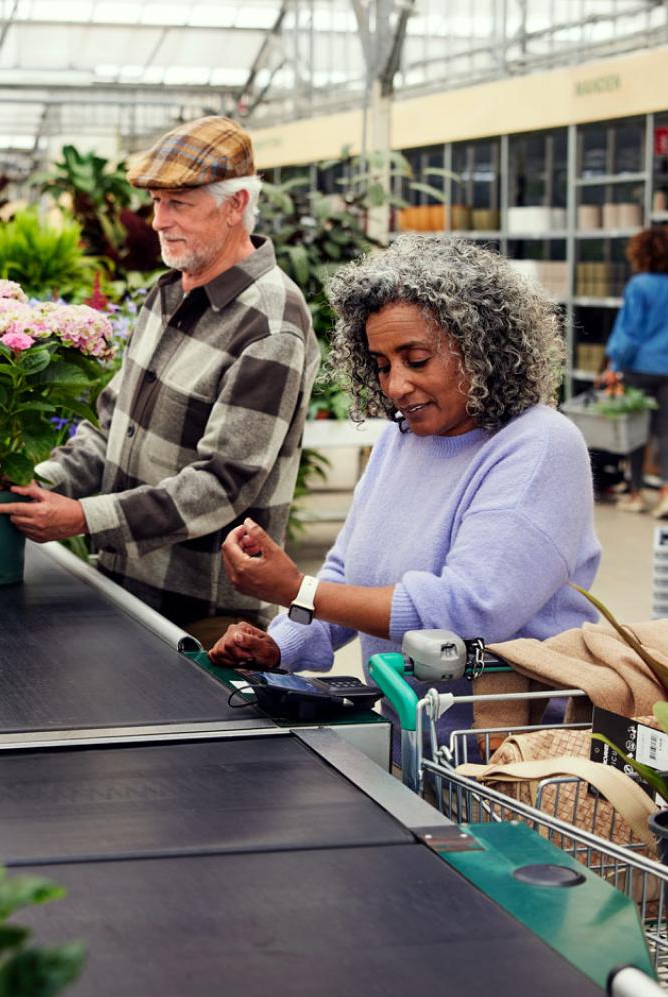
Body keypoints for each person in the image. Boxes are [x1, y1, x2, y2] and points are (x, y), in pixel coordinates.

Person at [208, 234, 602, 741]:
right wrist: (280, 647)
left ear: (484, 349)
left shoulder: (540, 446)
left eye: (416, 360)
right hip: (409, 742)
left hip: (507, 760)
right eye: (381, 364)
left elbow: (467, 610)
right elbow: (350, 572)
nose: (396, 386)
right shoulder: (403, 439)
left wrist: (297, 589)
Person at [0, 115, 320, 648]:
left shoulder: (271, 324)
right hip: (121, 589)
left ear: (235, 205)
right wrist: (40, 486)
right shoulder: (166, 296)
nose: (159, 220)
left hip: (200, 617)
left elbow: (222, 484)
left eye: (179, 204)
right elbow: (109, 427)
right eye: (157, 203)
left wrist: (82, 519)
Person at [600, 225, 668, 520]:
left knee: (636, 433)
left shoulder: (638, 287)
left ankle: (636, 494)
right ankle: (667, 494)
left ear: (640, 253)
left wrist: (614, 367)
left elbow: (628, 333)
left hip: (638, 367)